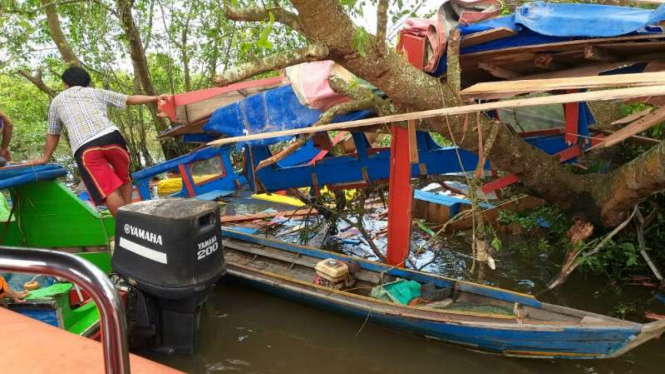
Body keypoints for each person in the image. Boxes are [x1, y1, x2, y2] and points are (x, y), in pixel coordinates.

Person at [29, 67, 167, 217]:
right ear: (87, 83)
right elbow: (129, 99)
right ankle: (130, 213)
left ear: (65, 84)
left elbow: (53, 133)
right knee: (124, 178)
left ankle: (126, 226)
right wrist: (155, 98)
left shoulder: (57, 101)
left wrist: (45, 157)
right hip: (112, 137)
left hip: (85, 147)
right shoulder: (96, 92)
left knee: (107, 190)